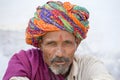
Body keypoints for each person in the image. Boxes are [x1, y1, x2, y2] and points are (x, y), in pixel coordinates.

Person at [3, 1, 114, 80]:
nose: (60, 53)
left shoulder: (88, 65)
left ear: (77, 43)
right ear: (40, 44)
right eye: (51, 44)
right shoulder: (25, 62)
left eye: (67, 43)